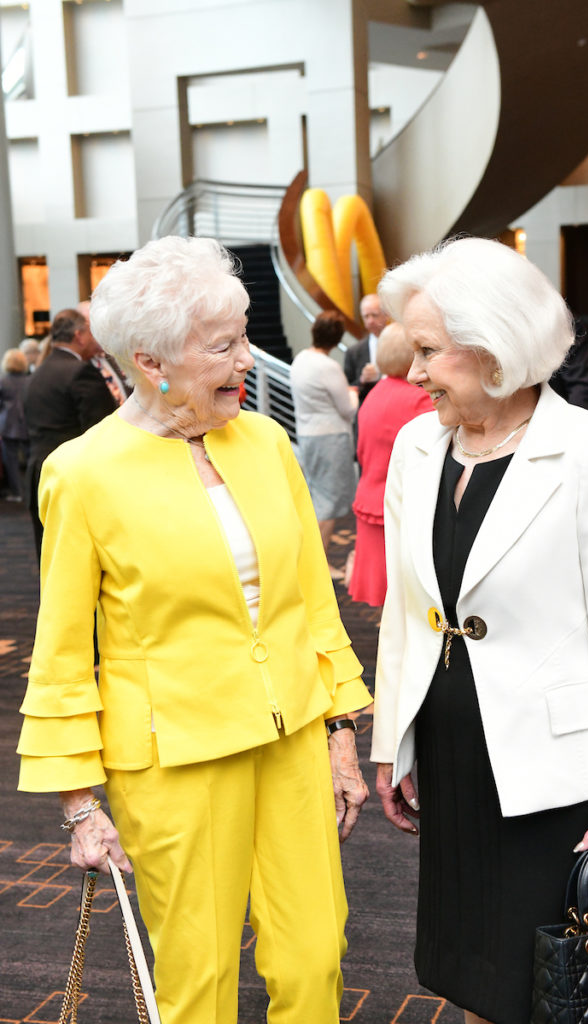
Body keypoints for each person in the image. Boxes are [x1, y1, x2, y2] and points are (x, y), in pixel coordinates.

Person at [17, 236, 371, 1024]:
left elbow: (313, 599)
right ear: (152, 362)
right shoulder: (82, 473)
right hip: (174, 755)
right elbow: (64, 650)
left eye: (243, 337)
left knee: (316, 956)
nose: (247, 359)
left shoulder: (267, 444)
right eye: (224, 346)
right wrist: (80, 801)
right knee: (197, 979)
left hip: (290, 734)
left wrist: (340, 730)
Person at [370, 237, 588, 1024]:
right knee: (469, 964)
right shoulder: (416, 445)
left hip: (555, 774)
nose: (412, 370)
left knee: (553, 979)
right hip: (450, 750)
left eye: (428, 350)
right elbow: (407, 610)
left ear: (494, 346)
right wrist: (392, 740)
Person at [348, 322, 432, 606]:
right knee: (408, 604)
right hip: (401, 507)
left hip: (371, 496)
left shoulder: (375, 393)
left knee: (388, 605)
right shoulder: (422, 399)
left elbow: (360, 450)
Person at [23, 307, 117, 556]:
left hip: (38, 473)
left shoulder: (38, 372)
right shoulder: (80, 372)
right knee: (78, 552)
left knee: (49, 551)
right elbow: (103, 430)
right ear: (79, 335)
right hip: (74, 475)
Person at [290, 310, 358, 579]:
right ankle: (321, 565)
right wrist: (354, 395)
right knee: (328, 504)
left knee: (318, 499)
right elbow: (347, 409)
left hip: (307, 435)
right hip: (330, 437)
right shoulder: (328, 366)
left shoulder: (300, 360)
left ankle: (311, 559)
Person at [343, 293, 389, 404]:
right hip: (368, 405)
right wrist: (362, 379)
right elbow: (347, 388)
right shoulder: (354, 351)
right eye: (366, 316)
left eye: (374, 315)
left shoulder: (401, 343)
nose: (370, 321)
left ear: (386, 314)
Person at [0, 348, 30, 501]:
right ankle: (33, 490)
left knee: (10, 461)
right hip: (28, 423)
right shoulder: (30, 380)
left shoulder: (3, 381)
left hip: (7, 426)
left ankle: (17, 493)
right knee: (31, 459)